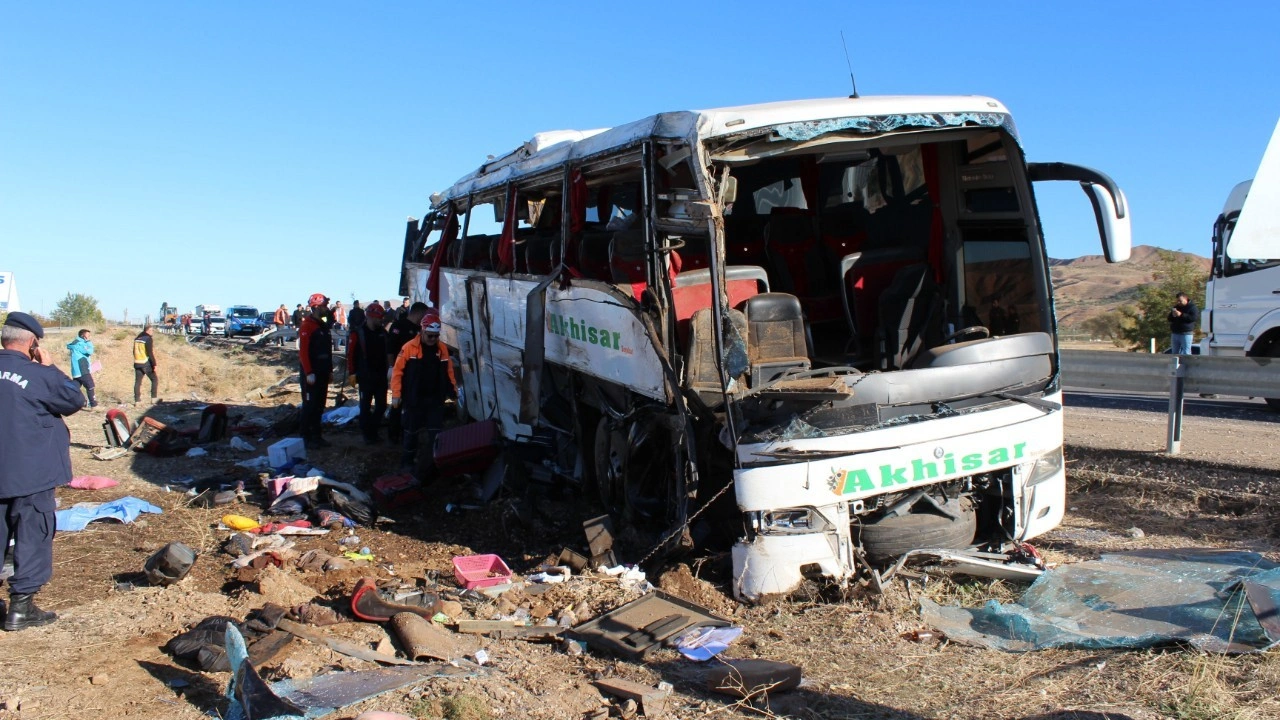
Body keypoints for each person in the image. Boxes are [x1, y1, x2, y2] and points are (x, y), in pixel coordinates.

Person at [0, 312, 85, 630]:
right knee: (32, 535)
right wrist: (49, 365)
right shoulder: (38, 374)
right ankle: (21, 608)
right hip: (31, 473)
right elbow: (73, 399)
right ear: (33, 342)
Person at [391, 312, 457, 475]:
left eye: (436, 336)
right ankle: (407, 462)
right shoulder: (408, 348)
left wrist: (453, 391)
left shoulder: (441, 350)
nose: (432, 339)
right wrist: (396, 394)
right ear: (422, 331)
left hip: (435, 398)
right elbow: (397, 372)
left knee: (435, 434)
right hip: (414, 398)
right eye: (429, 336)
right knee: (411, 432)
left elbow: (448, 371)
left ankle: (433, 465)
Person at [346, 302, 389, 444]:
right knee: (365, 406)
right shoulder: (358, 333)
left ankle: (373, 430)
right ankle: (367, 434)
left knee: (381, 405)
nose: (381, 320)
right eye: (379, 318)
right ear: (371, 317)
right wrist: (352, 373)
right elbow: (351, 354)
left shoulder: (383, 333)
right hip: (365, 376)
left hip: (380, 375)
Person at [385, 302, 427, 441]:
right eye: (423, 314)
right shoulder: (399, 326)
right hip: (400, 371)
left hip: (414, 373)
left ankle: (407, 432)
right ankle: (393, 434)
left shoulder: (419, 330)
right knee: (397, 402)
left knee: (412, 404)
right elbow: (390, 349)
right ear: (418, 312)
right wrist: (391, 367)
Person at [298, 293, 334, 449]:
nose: (326, 308)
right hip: (312, 373)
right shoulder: (307, 325)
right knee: (310, 405)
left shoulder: (322, 323)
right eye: (324, 305)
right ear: (317, 307)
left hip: (323, 371)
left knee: (320, 405)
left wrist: (330, 370)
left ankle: (317, 436)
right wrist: (308, 372)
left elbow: (328, 349)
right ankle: (306, 437)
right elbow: (303, 352)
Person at [66, 328, 98, 408]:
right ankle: (93, 405)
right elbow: (90, 351)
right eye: (88, 334)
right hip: (82, 368)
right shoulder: (80, 344)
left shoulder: (75, 343)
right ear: (83, 335)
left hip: (76, 371)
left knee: (74, 388)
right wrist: (88, 342)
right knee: (90, 385)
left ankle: (70, 403)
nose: (89, 336)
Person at [132, 323, 159, 404]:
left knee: (137, 382)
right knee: (154, 379)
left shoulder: (137, 338)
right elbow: (150, 353)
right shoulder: (148, 338)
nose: (152, 332)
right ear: (148, 330)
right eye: (152, 330)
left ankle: (137, 401)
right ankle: (154, 399)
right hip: (145, 362)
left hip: (137, 362)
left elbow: (133, 351)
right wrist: (154, 364)